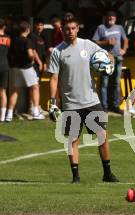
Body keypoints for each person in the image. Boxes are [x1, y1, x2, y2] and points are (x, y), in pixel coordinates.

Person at [47, 18, 119, 183]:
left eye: (73, 28)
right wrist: (52, 102)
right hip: (70, 104)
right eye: (67, 29)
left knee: (103, 136)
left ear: (77, 28)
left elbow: (108, 56)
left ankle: (108, 173)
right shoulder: (58, 51)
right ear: (62, 30)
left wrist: (110, 64)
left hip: (92, 101)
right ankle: (76, 177)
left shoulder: (88, 45)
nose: (70, 31)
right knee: (73, 140)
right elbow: (54, 78)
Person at [6, 20, 44, 122]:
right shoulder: (27, 41)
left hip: (15, 68)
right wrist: (32, 60)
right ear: (28, 29)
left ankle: (9, 114)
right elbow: (30, 54)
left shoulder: (14, 40)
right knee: (35, 88)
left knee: (14, 91)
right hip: (26, 67)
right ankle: (36, 112)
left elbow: (9, 54)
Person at [93, 10, 128, 114]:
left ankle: (116, 106)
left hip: (118, 58)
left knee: (116, 83)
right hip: (106, 58)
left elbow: (125, 39)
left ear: (115, 18)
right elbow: (94, 42)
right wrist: (106, 42)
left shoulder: (119, 28)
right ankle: (104, 107)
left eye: (113, 16)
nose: (111, 18)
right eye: (109, 16)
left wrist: (124, 50)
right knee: (104, 83)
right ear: (106, 17)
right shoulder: (101, 28)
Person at [29, 18, 47, 114]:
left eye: (41, 25)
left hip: (40, 65)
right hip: (33, 65)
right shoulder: (32, 36)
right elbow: (33, 50)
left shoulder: (42, 37)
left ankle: (36, 105)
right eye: (38, 25)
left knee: (37, 85)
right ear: (35, 26)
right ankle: (32, 106)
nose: (40, 27)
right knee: (34, 85)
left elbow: (43, 52)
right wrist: (39, 62)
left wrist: (44, 63)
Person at [0, 19, 10, 122]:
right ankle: (2, 117)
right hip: (4, 65)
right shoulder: (8, 38)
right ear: (4, 27)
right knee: (3, 92)